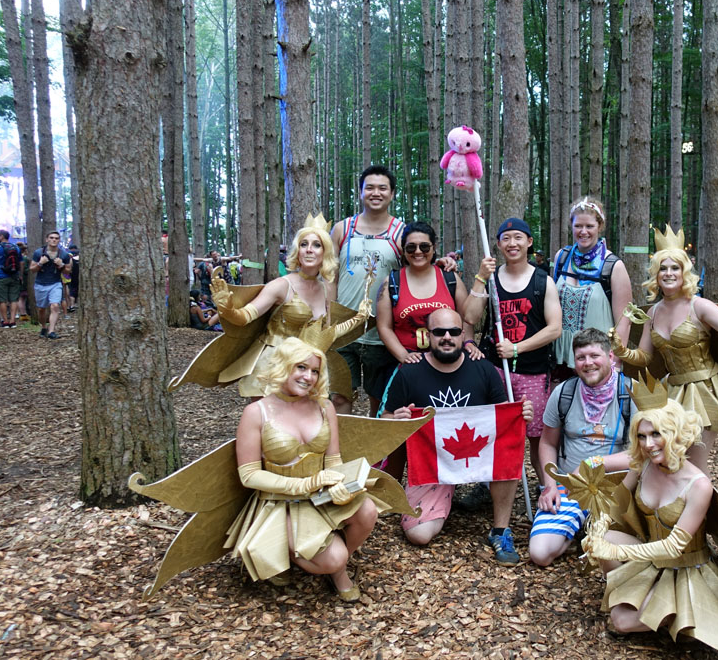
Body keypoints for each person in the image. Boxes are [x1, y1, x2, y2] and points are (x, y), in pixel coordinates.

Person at [581, 389, 718, 651]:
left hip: (685, 568)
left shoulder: (698, 485)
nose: (648, 444)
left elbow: (674, 547)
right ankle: (647, 603)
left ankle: (686, 614)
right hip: (651, 557)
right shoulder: (644, 465)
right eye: (642, 436)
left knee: (621, 621)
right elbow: (617, 501)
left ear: (674, 433)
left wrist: (617, 552)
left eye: (656, 434)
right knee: (603, 539)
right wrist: (598, 528)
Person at [609, 225, 718, 473]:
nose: (668, 273)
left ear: (684, 272)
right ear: (656, 275)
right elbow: (645, 356)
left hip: (705, 392)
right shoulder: (654, 312)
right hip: (672, 392)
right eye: (663, 268)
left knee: (695, 466)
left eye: (675, 268)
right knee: (669, 461)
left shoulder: (699, 306)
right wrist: (622, 351)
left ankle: (702, 498)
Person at [228, 337, 379, 598]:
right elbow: (249, 475)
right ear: (283, 365)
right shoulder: (256, 412)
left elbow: (333, 460)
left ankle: (335, 567)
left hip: (320, 494)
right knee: (334, 558)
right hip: (280, 502)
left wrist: (341, 484)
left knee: (367, 511)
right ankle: (287, 554)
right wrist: (304, 484)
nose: (308, 377)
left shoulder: (324, 406)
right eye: (301, 367)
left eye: (315, 371)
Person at [382, 308, 532, 565]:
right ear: (428, 336)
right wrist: (396, 419)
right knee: (419, 534)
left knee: (506, 449)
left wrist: (520, 414)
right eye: (439, 332)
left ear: (463, 335)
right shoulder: (409, 372)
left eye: (453, 331)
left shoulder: (483, 368)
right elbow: (384, 419)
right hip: (433, 462)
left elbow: (503, 417)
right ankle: (445, 496)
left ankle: (500, 529)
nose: (447, 337)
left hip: (478, 453)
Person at [529, 328, 633, 567]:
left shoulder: (631, 393)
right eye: (581, 358)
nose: (588, 363)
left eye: (595, 356)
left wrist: (594, 463)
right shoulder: (564, 393)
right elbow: (548, 442)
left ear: (610, 357)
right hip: (570, 486)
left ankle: (590, 529)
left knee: (615, 550)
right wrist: (550, 485)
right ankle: (577, 529)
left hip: (615, 488)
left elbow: (644, 453)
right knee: (540, 554)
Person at [208, 216, 347, 396]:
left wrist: (361, 317)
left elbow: (326, 334)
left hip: (306, 371)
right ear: (297, 251)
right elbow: (244, 317)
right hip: (273, 367)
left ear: (325, 253)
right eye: (304, 244)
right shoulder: (281, 285)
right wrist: (227, 309)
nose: (309, 250)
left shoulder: (326, 290)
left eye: (317, 245)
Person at [468, 217, 562, 482]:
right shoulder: (491, 279)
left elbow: (555, 328)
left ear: (529, 242)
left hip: (533, 372)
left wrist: (517, 349)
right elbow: (470, 317)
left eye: (518, 237)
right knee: (492, 431)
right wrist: (480, 277)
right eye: (506, 239)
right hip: (495, 370)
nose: (512, 243)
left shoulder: (543, 281)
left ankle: (547, 488)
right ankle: (487, 485)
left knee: (536, 435)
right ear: (498, 244)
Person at [330, 166, 408, 417]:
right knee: (339, 395)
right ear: (361, 192)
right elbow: (330, 277)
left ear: (392, 194)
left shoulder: (401, 232)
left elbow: (416, 269)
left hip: (382, 331)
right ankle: (341, 443)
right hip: (343, 330)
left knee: (379, 397)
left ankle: (375, 444)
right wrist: (328, 318)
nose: (376, 193)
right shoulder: (343, 229)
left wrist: (444, 263)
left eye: (382, 188)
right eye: (370, 187)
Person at [550, 197, 633, 375]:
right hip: (559, 358)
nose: (583, 231)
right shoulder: (561, 258)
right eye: (578, 226)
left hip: (596, 361)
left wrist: (616, 363)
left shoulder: (613, 266)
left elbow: (624, 322)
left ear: (599, 226)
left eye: (589, 226)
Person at [377, 221, 479, 365]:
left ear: (433, 248)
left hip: (448, 358)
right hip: (407, 362)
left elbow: (465, 318)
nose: (418, 251)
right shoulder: (392, 282)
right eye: (411, 247)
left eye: (424, 247)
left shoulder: (450, 279)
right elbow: (384, 327)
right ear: (404, 250)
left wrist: (468, 342)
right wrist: (403, 356)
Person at [30, 231, 73, 339]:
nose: (54, 240)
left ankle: (51, 331)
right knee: (41, 309)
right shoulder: (39, 253)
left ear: (59, 240)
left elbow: (68, 271)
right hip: (40, 284)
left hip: (55, 283)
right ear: (47, 239)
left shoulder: (63, 254)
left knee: (55, 306)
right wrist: (40, 263)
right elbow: (32, 269)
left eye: (56, 238)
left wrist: (61, 265)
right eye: (52, 238)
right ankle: (44, 327)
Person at [0, 230, 21, 328]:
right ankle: (13, 321)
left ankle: (5, 321)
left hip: (0, 276)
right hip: (14, 275)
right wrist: (20, 274)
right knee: (14, 299)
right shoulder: (16, 247)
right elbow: (21, 262)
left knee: (2, 300)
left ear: (2, 236)